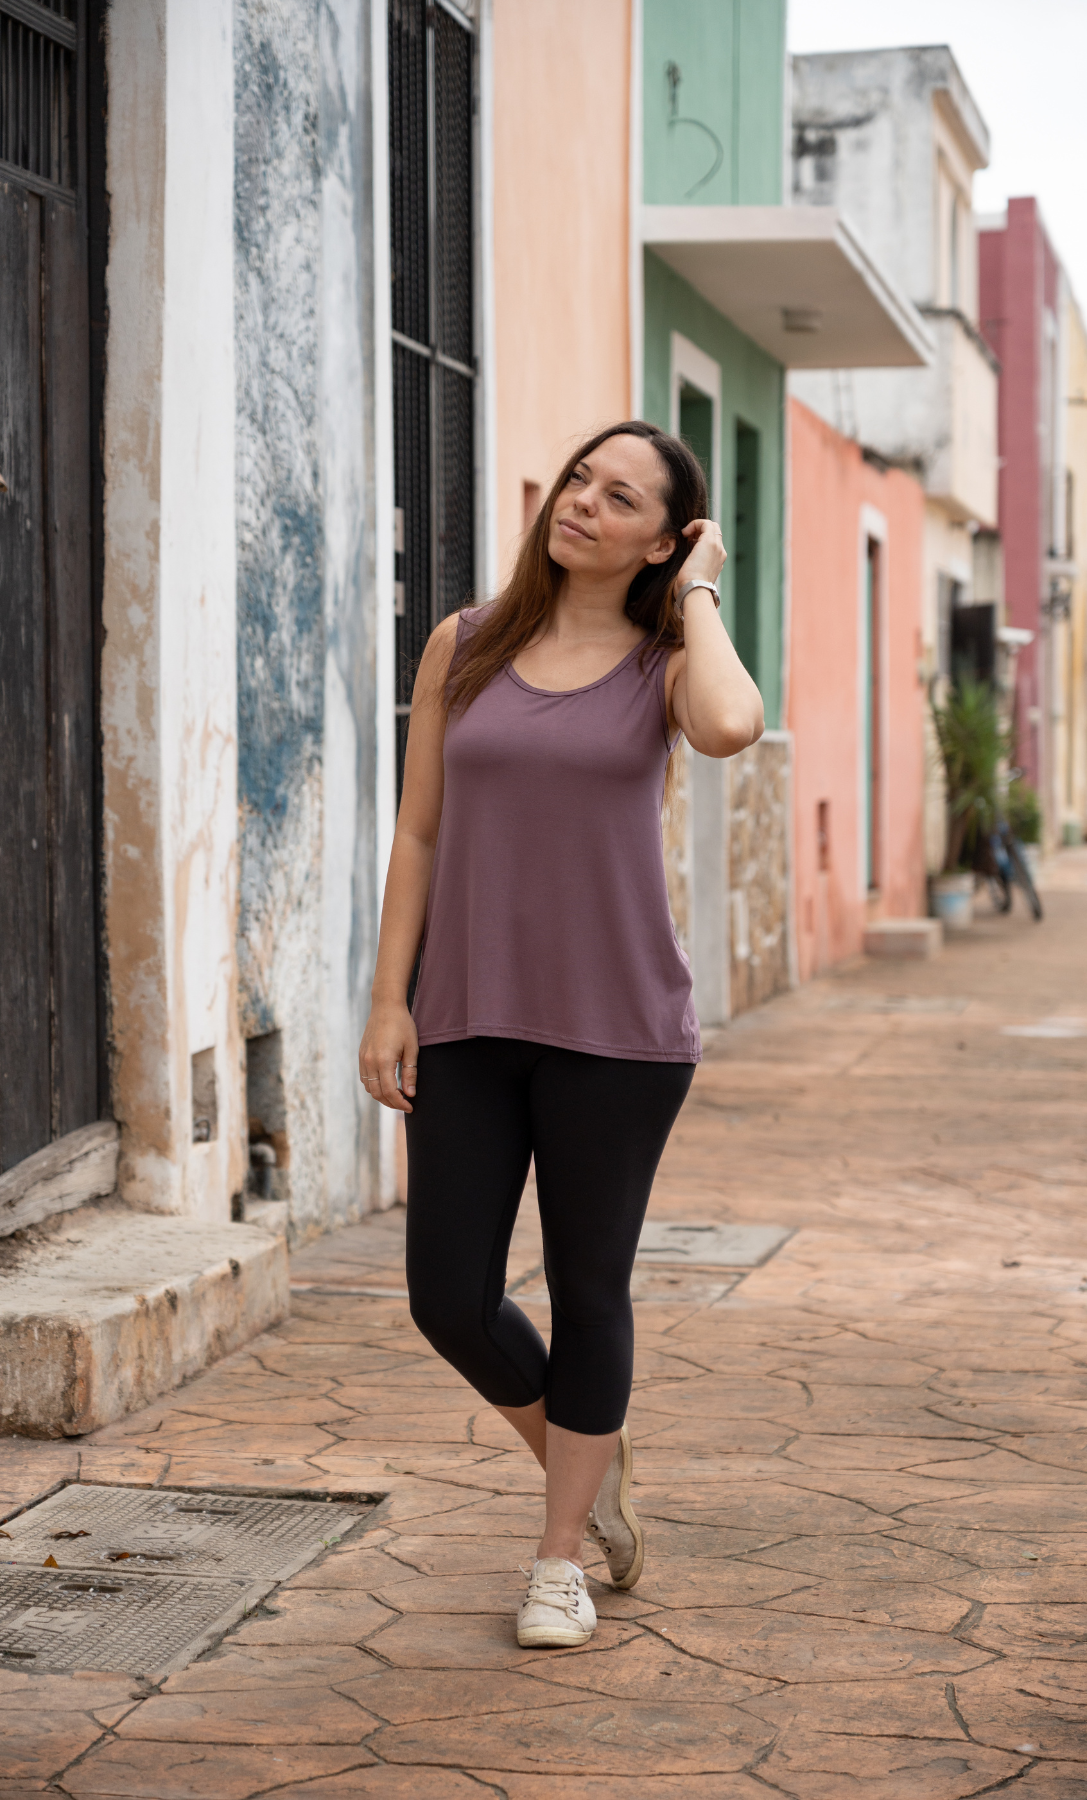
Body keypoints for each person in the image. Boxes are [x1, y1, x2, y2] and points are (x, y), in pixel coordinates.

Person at [358, 421, 764, 1648]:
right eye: (582, 478)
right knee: (450, 1297)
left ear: (661, 539)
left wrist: (695, 594)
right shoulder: (466, 643)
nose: (583, 501)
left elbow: (735, 725)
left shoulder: (664, 664)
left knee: (590, 1290)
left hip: (619, 1031)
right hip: (470, 1016)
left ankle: (555, 1562)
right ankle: (593, 1460)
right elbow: (420, 831)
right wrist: (390, 999)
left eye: (621, 496)